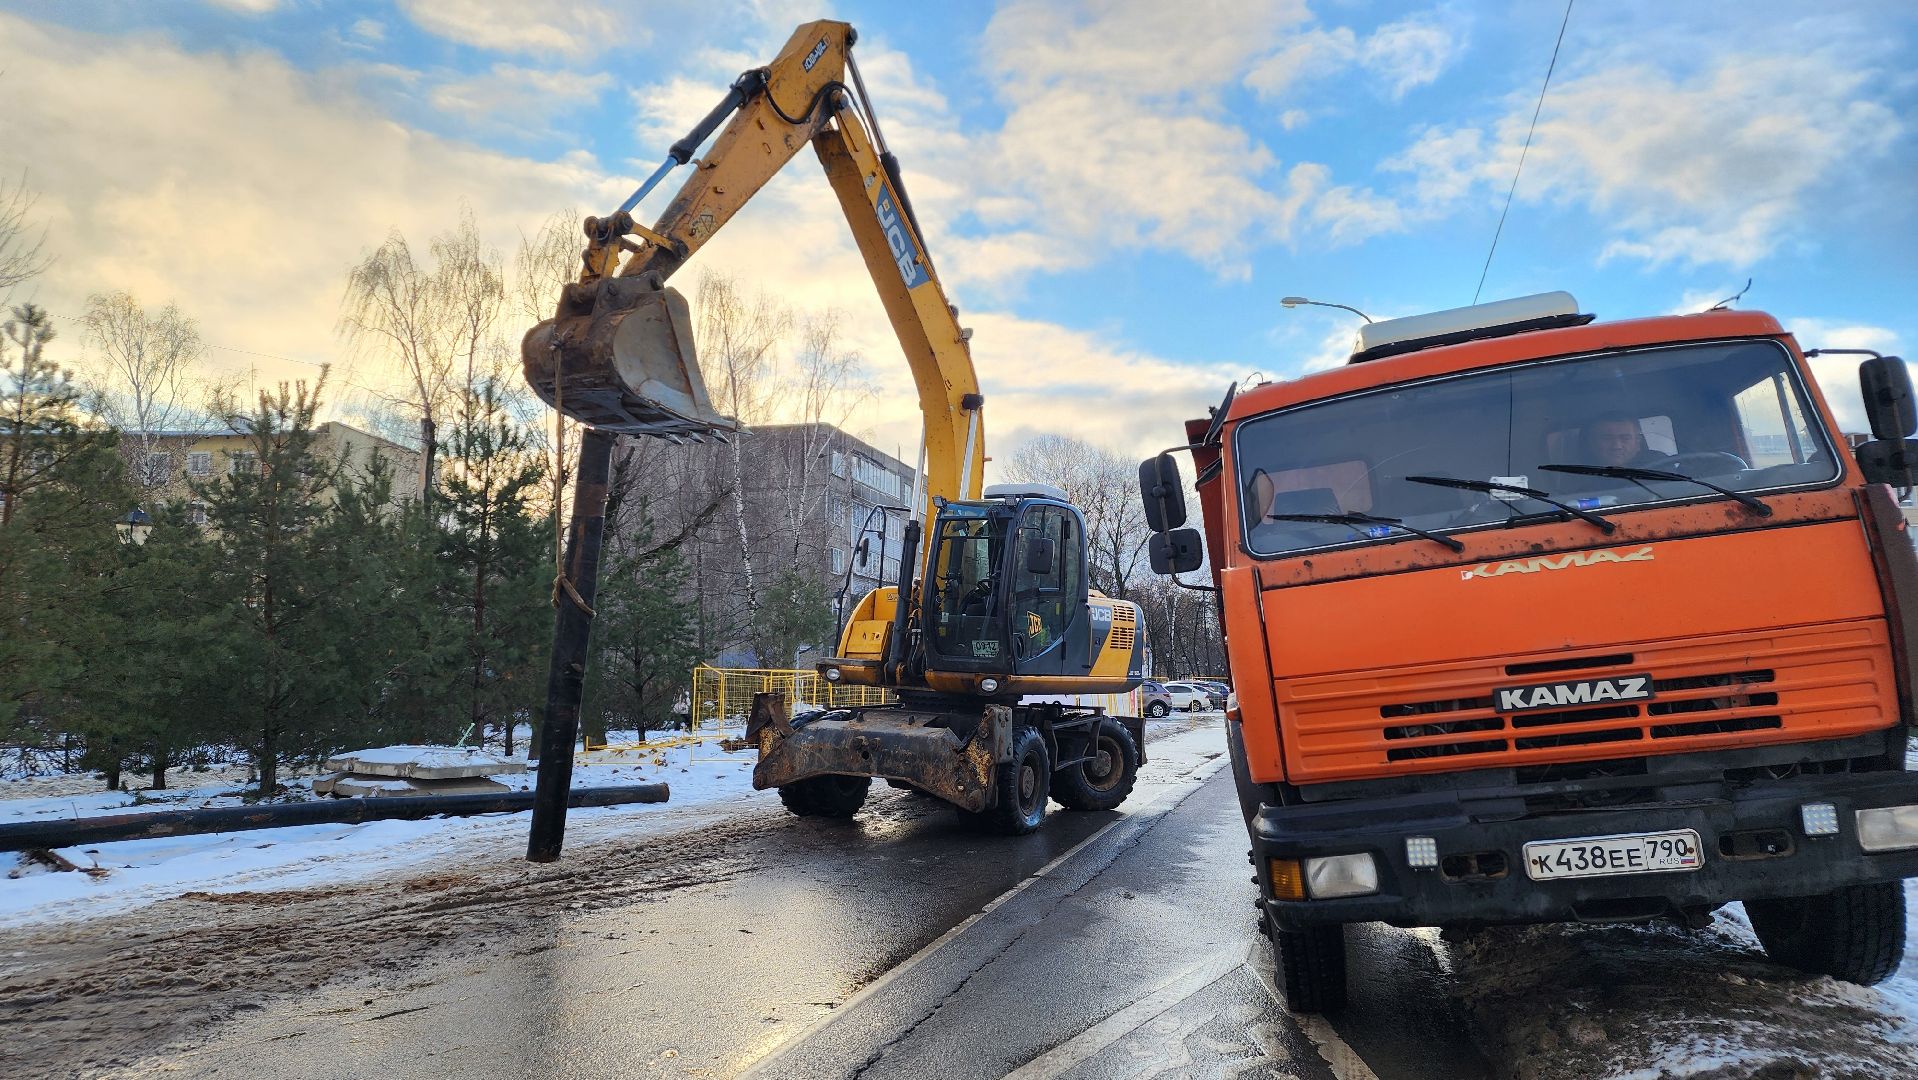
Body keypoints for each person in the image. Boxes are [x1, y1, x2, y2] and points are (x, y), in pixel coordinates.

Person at [1582, 414, 1662, 468]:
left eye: (1625, 438)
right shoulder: (1578, 475)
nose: (1617, 446)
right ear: (1592, 443)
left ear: (1637, 443)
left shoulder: (1661, 465)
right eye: (1607, 438)